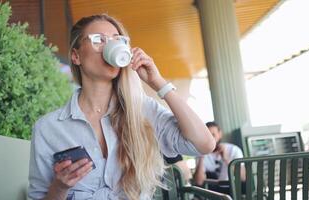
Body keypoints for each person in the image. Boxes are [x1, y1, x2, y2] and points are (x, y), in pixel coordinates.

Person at [28, 14, 215, 200]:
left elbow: (204, 144)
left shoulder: (141, 110)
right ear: (76, 56)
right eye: (99, 40)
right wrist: (60, 187)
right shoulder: (48, 128)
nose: (110, 46)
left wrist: (157, 82)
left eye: (117, 40)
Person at [194, 122, 245, 188]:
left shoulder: (234, 150)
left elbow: (242, 177)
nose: (210, 139)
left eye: (213, 135)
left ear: (220, 134)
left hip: (233, 188)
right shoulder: (200, 153)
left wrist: (226, 159)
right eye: (207, 136)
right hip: (213, 192)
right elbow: (199, 181)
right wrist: (201, 158)